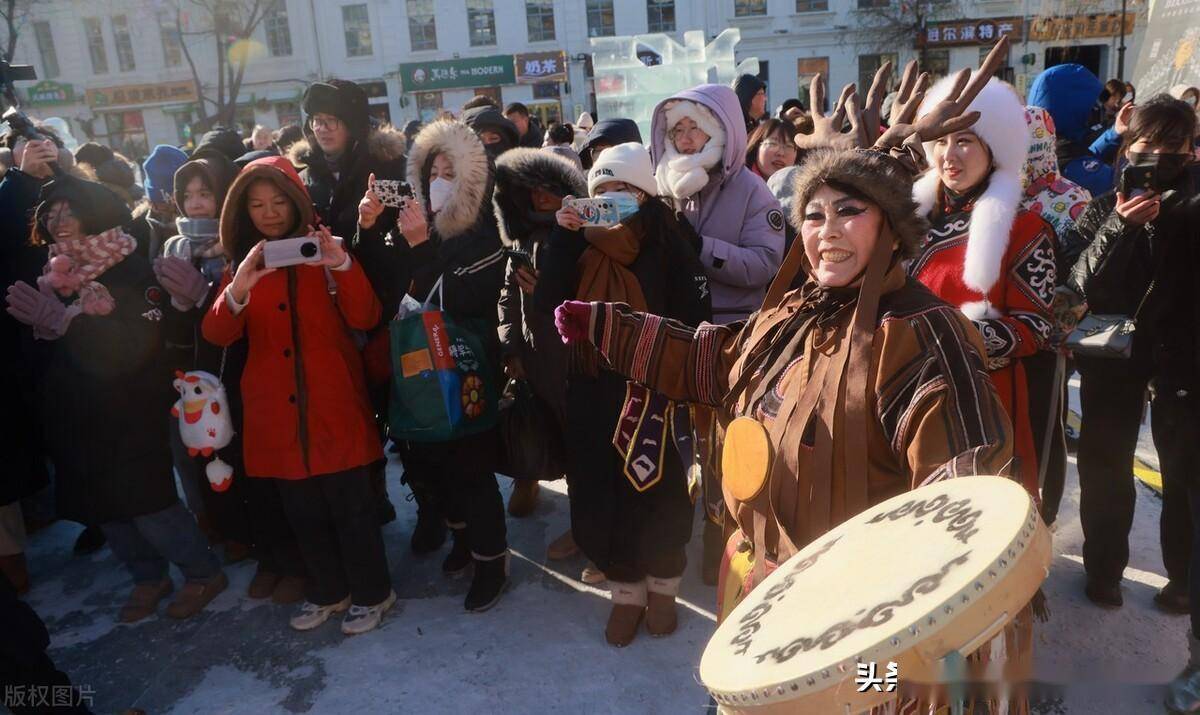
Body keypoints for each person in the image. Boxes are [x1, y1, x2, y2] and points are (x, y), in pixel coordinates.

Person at [551, 58, 1021, 675]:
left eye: (849, 210)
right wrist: (610, 326)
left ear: (890, 228)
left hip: (860, 614)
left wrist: (921, 613)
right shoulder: (799, 308)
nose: (827, 231)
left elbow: (959, 492)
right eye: (815, 214)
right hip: (764, 588)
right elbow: (718, 362)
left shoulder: (919, 332)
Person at [6, 174, 227, 623]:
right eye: (50, 215)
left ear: (96, 212)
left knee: (149, 502)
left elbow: (137, 344)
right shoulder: (52, 274)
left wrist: (72, 324)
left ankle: (202, 572)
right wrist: (47, 330)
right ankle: (148, 577)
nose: (59, 222)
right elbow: (39, 349)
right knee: (103, 504)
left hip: (132, 407)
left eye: (70, 211)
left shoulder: (130, 268)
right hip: (76, 411)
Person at [202, 156, 395, 635]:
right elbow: (217, 333)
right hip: (275, 412)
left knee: (351, 509)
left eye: (278, 201)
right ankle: (329, 590)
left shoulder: (327, 248)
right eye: (257, 205)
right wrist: (239, 289)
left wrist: (343, 264)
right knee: (303, 512)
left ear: (297, 202)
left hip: (333, 401)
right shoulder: (244, 263)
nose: (268, 213)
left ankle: (373, 592)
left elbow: (367, 316)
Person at [535, 142, 711, 646]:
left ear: (645, 192)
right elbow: (548, 307)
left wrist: (675, 368)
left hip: (652, 384)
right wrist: (564, 239)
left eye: (624, 189)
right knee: (599, 488)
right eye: (602, 191)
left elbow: (694, 309)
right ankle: (626, 591)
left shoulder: (668, 235)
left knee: (656, 486)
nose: (611, 199)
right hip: (592, 386)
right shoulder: (577, 240)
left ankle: (663, 587)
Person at [1063, 95, 1198, 614]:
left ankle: (1183, 579)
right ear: (1127, 146)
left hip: (1184, 360)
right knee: (1105, 464)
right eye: (1147, 143)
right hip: (1111, 357)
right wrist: (1122, 226)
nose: (1159, 155)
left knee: (1184, 469)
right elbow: (1074, 292)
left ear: (1191, 152)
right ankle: (1104, 571)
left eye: (1173, 145)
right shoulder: (1099, 209)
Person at [158, 154, 310, 605]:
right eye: (187, 195)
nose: (197, 203)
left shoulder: (246, 246)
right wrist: (181, 305)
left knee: (276, 472)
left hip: (257, 369)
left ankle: (296, 559)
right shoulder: (174, 249)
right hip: (209, 375)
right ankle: (269, 555)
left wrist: (208, 294)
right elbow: (179, 328)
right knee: (240, 471)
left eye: (207, 192)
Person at [651, 83, 786, 582]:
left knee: (729, 448)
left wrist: (700, 248)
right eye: (678, 129)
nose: (686, 140)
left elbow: (766, 263)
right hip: (675, 334)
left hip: (732, 339)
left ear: (722, 133)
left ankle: (723, 545)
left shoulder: (753, 191)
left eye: (697, 129)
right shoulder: (663, 187)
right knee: (680, 442)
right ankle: (679, 537)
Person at [909, 75, 1057, 498]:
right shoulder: (906, 222)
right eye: (940, 141)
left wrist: (961, 336)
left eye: (965, 141)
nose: (948, 155)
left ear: (995, 150)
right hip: (911, 394)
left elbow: (1036, 327)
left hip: (986, 402)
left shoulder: (1025, 228)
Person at [386, 119, 510, 612]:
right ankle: (460, 538)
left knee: (470, 469)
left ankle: (491, 559)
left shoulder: (483, 235)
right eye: (432, 171)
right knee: (430, 461)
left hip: (467, 365)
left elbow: (457, 295)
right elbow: (394, 288)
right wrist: (377, 228)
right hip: (418, 364)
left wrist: (420, 249)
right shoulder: (416, 226)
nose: (439, 180)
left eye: (450, 172)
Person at [290, 78, 407, 525]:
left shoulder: (388, 165)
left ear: (352, 123)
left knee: (395, 400)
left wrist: (369, 228)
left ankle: (425, 499)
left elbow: (408, 235)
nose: (322, 129)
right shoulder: (304, 178)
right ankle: (370, 495)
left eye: (332, 120)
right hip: (328, 309)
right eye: (316, 121)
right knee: (351, 408)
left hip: (383, 301)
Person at [493, 148, 585, 522]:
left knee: (577, 438)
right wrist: (510, 347)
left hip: (571, 357)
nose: (540, 196)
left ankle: (583, 518)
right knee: (531, 423)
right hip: (532, 355)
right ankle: (527, 477)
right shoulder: (521, 237)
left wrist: (545, 291)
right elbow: (506, 294)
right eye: (532, 188)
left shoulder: (585, 236)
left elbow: (591, 294)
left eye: (549, 187)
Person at [1020, 105, 1093, 528]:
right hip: (1007, 337)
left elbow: (1083, 273)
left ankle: (1044, 516)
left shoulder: (1070, 197)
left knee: (1045, 428)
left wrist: (1058, 328)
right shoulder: (999, 192)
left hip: (1048, 342)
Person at [1027, 64, 1119, 197]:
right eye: (1093, 105)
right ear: (1074, 108)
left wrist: (1115, 133)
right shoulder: (1072, 166)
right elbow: (1121, 185)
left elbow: (1083, 155)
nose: (1097, 110)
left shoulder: (1043, 148)